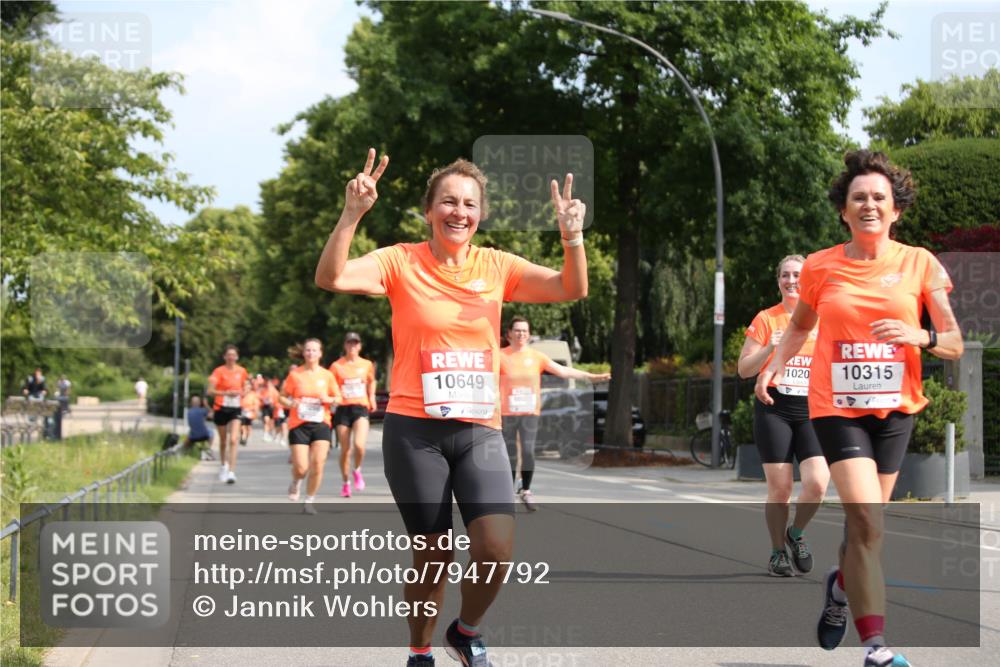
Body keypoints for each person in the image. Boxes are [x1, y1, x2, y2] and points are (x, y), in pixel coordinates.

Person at [316, 148, 589, 667]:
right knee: (433, 554)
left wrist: (571, 236)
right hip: (415, 431)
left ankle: (465, 631)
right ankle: (419, 651)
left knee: (496, 548)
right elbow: (332, 277)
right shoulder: (399, 261)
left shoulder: (498, 265)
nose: (458, 212)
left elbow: (572, 287)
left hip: (480, 428)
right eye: (448, 201)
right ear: (429, 210)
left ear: (479, 214)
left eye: (469, 204)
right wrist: (351, 214)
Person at [755, 150, 962, 667]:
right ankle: (876, 648)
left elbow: (955, 342)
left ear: (896, 210)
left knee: (868, 531)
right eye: (859, 198)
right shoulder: (821, 266)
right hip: (837, 409)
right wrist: (773, 367)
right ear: (843, 211)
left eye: (879, 198)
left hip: (895, 410)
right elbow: (799, 327)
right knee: (866, 519)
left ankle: (839, 590)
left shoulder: (920, 263)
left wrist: (920, 335)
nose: (869, 205)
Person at [739, 255, 830, 576]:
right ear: (778, 281)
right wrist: (768, 349)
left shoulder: (822, 319)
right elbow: (743, 369)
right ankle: (778, 552)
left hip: (812, 410)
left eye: (798, 275)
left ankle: (796, 532)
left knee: (817, 484)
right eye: (786, 275)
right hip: (774, 408)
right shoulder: (767, 319)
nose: (792, 281)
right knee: (780, 489)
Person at [500, 316, 610, 511]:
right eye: (517, 330)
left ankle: (526, 490)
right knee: (510, 454)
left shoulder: (537, 357)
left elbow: (563, 371)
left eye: (525, 330)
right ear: (509, 333)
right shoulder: (500, 356)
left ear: (529, 334)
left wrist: (590, 377)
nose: (521, 334)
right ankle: (507, 493)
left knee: (527, 451)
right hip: (507, 413)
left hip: (529, 412)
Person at [280, 339, 342, 515]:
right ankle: (296, 481)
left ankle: (309, 500)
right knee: (301, 467)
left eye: (314, 350)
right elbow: (281, 396)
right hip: (299, 424)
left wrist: (329, 399)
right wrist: (290, 403)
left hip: (321, 423)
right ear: (303, 353)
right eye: (308, 350)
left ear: (320, 353)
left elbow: (338, 398)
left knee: (318, 464)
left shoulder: (327, 375)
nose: (311, 353)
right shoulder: (295, 375)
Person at [330, 331, 377, 498]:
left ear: (360, 346)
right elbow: (331, 385)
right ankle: (346, 483)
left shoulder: (366, 364)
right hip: (343, 409)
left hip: (360, 407)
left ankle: (357, 470)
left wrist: (372, 397)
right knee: (345, 450)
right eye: (349, 343)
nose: (352, 346)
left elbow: (372, 381)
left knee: (359, 445)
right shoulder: (336, 366)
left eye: (355, 343)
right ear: (345, 345)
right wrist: (333, 398)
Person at [207, 345, 249, 484]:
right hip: (221, 408)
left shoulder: (242, 371)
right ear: (224, 357)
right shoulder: (218, 371)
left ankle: (231, 472)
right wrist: (226, 393)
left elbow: (246, 386)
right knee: (224, 441)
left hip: (236, 408)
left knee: (234, 439)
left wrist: (244, 391)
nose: (231, 357)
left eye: (233, 355)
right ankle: (223, 465)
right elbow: (210, 391)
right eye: (229, 355)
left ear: (237, 357)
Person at [239, 378, 261, 446]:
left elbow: (256, 404)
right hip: (242, 412)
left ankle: (246, 438)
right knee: (242, 426)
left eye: (248, 386)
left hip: (250, 413)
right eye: (245, 386)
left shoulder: (253, 394)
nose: (246, 387)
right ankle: (243, 437)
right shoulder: (241, 394)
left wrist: (254, 411)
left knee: (248, 427)